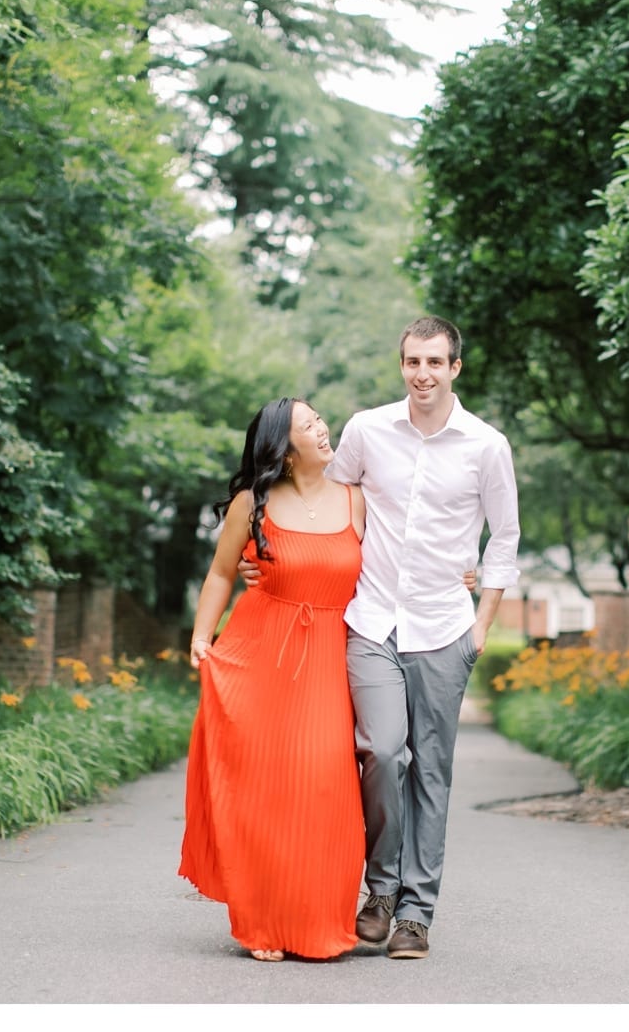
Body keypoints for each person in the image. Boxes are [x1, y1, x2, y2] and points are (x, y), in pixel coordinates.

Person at [240, 315, 520, 959]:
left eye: (434, 363)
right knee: (382, 752)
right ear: (402, 366)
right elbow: (317, 503)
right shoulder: (368, 430)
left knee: (432, 773)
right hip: (369, 621)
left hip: (445, 627)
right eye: (411, 362)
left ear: (455, 368)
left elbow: (504, 538)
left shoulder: (486, 446)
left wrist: (482, 626)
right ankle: (382, 887)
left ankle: (416, 914)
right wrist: (266, 555)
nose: (422, 374)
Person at [178, 397, 367, 962]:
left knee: (327, 786)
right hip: (262, 653)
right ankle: (262, 922)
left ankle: (320, 922)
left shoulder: (359, 502)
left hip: (331, 658)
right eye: (308, 424)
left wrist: (464, 569)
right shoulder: (252, 503)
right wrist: (202, 637)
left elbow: (402, 563)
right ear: (285, 452)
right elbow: (219, 573)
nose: (322, 426)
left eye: (318, 418)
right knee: (266, 791)